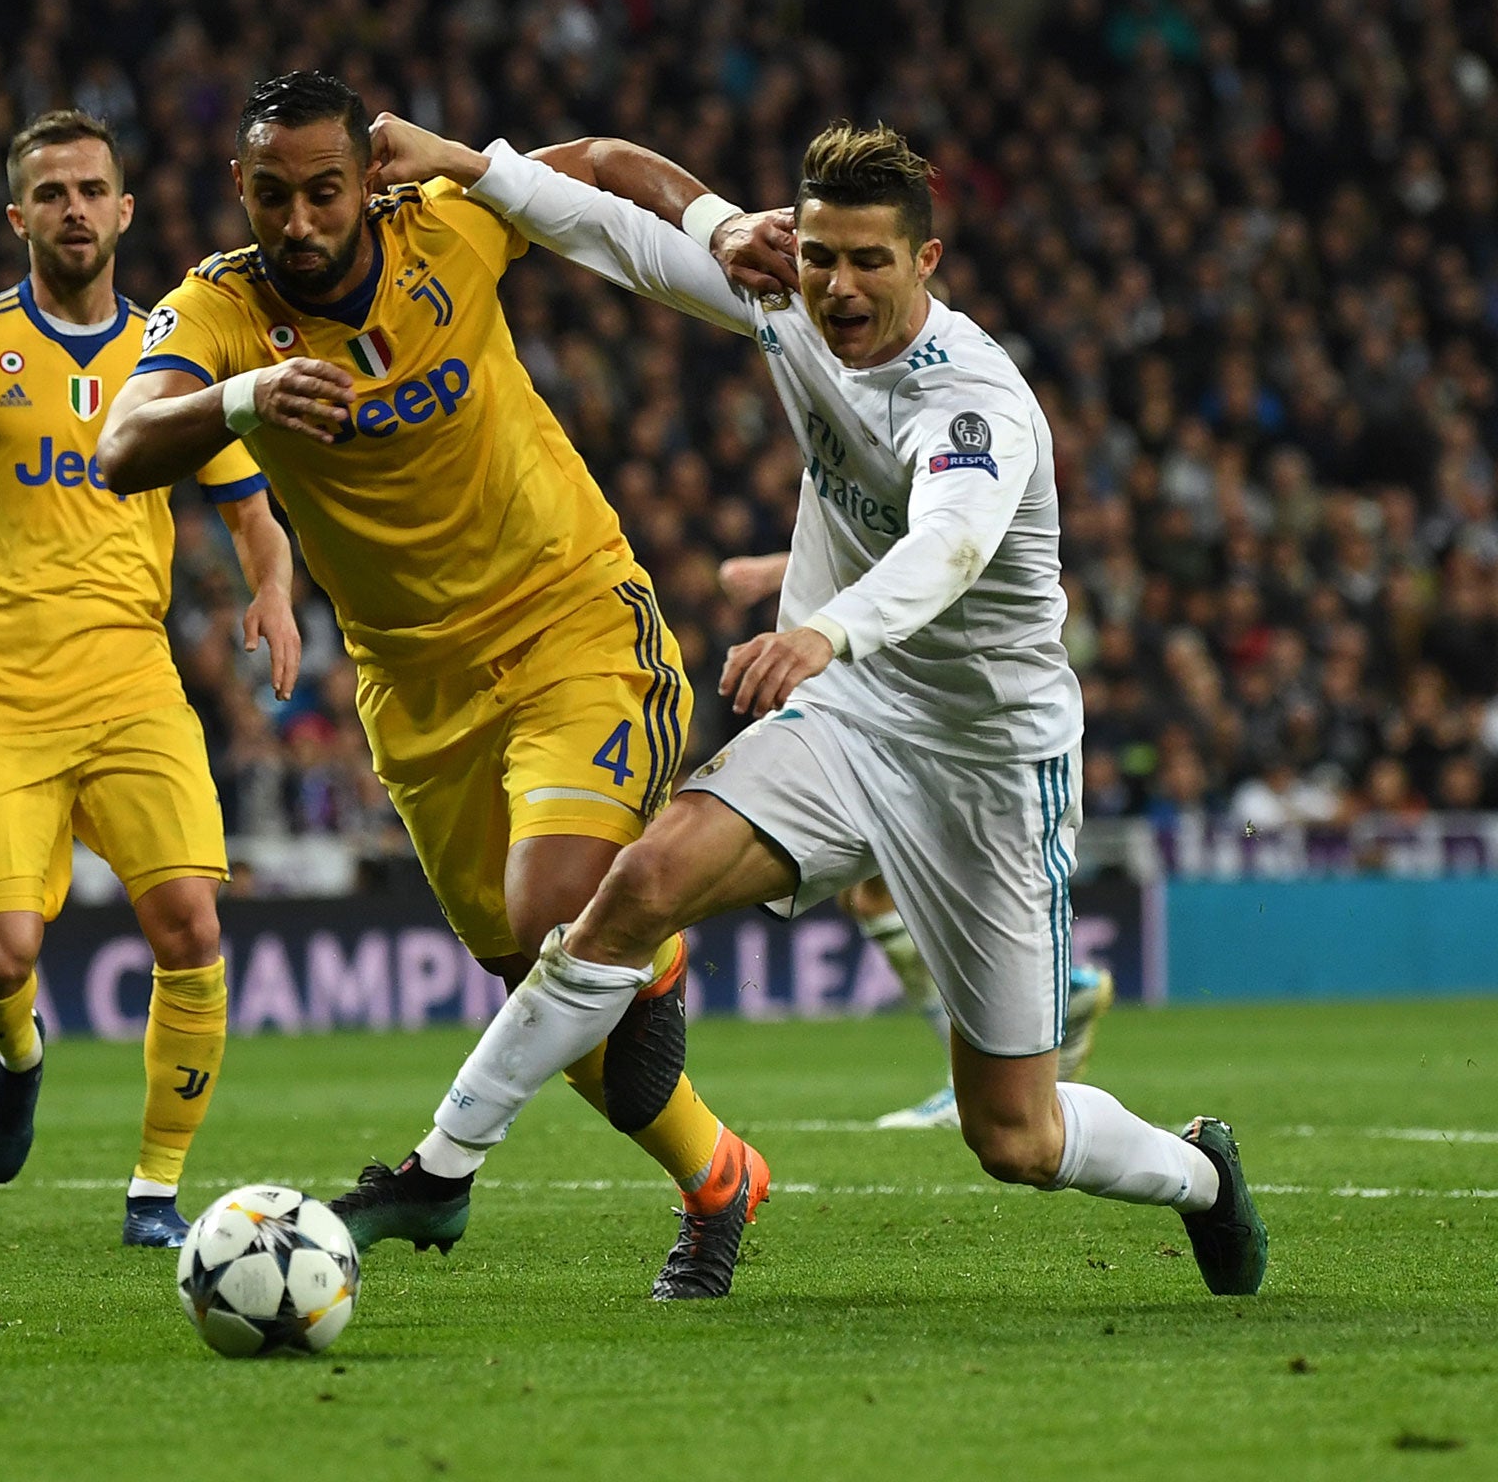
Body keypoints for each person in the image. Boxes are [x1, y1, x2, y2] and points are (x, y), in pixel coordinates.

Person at [356, 112, 1268, 1298]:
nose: (834, 286)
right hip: (848, 718)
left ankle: (1199, 1171)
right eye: (821, 254)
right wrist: (475, 169)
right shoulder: (784, 298)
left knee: (1014, 1138)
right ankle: (440, 1170)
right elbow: (611, 232)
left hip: (986, 767)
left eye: (868, 261)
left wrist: (818, 628)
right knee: (635, 888)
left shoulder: (972, 400)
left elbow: (945, 547)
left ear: (925, 263)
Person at [98, 71, 767, 1299]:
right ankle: (718, 1177)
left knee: (559, 912)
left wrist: (720, 223)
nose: (296, 221)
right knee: (547, 990)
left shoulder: (445, 219)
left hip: (572, 620)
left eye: (321, 191)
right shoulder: (219, 308)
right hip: (414, 692)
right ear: (237, 191)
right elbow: (121, 445)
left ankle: (642, 949)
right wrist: (242, 397)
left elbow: (609, 160)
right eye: (269, 195)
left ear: (366, 179)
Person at [0, 109, 300, 1249]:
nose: (74, 210)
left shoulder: (172, 355)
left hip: (133, 691)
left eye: (92, 190)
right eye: (51, 194)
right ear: (19, 217)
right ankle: (17, 1051)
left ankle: (156, 1188)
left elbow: (252, 510)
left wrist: (273, 593)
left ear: (125, 209)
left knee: (190, 925)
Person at [718, 551, 1116, 1129]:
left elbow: (926, 546)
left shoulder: (960, 472)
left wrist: (777, 571)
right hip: (921, 699)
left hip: (938, 707)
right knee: (878, 895)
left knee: (917, 898)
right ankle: (1023, 1032)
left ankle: (1006, 1053)